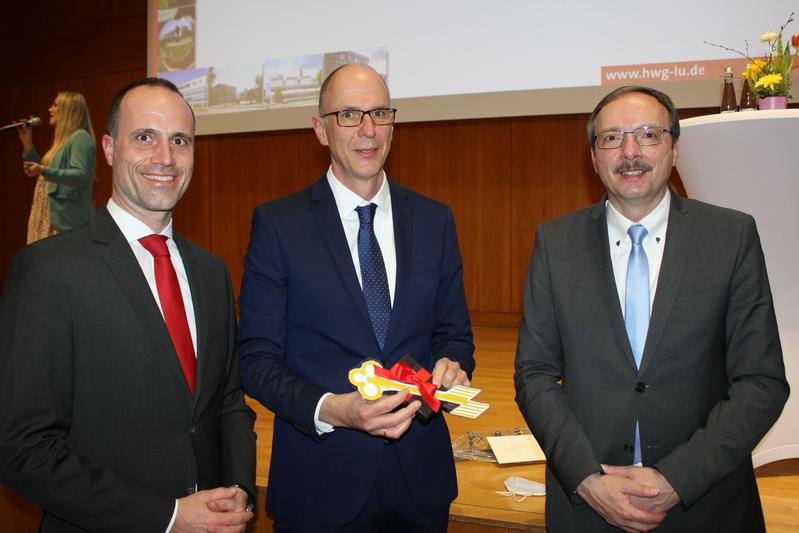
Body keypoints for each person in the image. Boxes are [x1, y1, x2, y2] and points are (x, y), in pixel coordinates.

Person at [514, 85, 789, 532]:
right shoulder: (554, 243)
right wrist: (585, 478)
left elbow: (762, 382)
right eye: (611, 138)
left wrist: (678, 479)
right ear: (594, 156)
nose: (630, 152)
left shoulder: (730, 237)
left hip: (705, 506)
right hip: (588, 507)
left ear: (675, 149)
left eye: (648, 134)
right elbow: (534, 374)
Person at [0, 77, 257, 533]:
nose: (165, 158)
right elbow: (23, 447)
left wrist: (238, 489)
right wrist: (169, 517)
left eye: (180, 141)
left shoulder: (211, 272)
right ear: (109, 148)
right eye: (145, 137)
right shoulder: (49, 270)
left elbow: (229, 403)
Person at [238, 63, 475, 532]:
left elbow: (455, 335)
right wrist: (334, 409)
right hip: (321, 483)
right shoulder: (278, 226)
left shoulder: (434, 220)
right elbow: (256, 360)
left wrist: (452, 363)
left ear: (393, 123)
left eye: (379, 113)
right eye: (349, 114)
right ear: (320, 129)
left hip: (421, 484)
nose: (368, 130)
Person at [17, 91, 97, 243]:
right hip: (47, 217)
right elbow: (44, 175)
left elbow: (79, 175)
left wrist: (42, 170)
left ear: (68, 110)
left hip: (67, 222)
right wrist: (27, 141)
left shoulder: (80, 138)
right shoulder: (62, 142)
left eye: (55, 105)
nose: (50, 109)